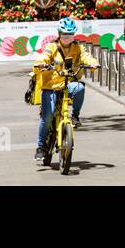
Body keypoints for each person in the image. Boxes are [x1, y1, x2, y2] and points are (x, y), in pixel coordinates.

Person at [32, 17, 100, 164]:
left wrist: (93, 63)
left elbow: (86, 57)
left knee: (80, 87)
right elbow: (44, 56)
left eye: (70, 34)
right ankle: (40, 147)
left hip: (68, 83)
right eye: (64, 34)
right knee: (47, 116)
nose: (67, 37)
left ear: (74, 34)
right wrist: (41, 63)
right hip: (50, 86)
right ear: (59, 34)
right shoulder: (51, 47)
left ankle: (75, 116)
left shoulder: (78, 48)